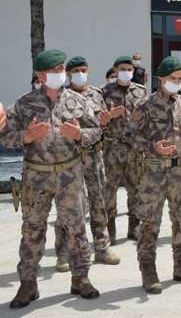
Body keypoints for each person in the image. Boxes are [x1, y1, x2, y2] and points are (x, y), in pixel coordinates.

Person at [2, 50, 101, 308]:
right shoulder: (24, 104)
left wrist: (80, 135)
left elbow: (96, 131)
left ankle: (81, 278)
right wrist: (27, 136)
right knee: (32, 230)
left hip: (69, 174)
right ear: (40, 74)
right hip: (37, 175)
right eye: (54, 70)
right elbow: (5, 137)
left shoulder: (77, 101)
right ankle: (28, 284)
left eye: (61, 69)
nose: (60, 74)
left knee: (76, 227)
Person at [132, 56, 181, 293]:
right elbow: (133, 139)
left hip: (180, 171)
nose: (178, 82)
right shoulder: (145, 107)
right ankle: (148, 270)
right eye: (173, 78)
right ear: (161, 78)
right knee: (150, 223)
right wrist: (153, 146)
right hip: (153, 173)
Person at [54, 57, 120, 273]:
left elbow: (102, 128)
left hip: (94, 156)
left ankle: (102, 248)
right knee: (69, 206)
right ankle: (63, 252)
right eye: (76, 71)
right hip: (70, 160)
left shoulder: (96, 94)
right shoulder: (59, 97)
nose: (80, 74)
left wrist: (105, 123)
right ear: (68, 74)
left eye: (84, 70)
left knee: (98, 202)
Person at [102, 56, 148, 244]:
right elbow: (97, 122)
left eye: (129, 69)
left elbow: (148, 119)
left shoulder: (141, 91)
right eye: (122, 68)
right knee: (109, 188)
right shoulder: (105, 92)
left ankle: (134, 225)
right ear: (115, 69)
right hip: (112, 147)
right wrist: (109, 117)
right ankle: (110, 227)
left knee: (136, 187)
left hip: (134, 148)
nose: (127, 72)